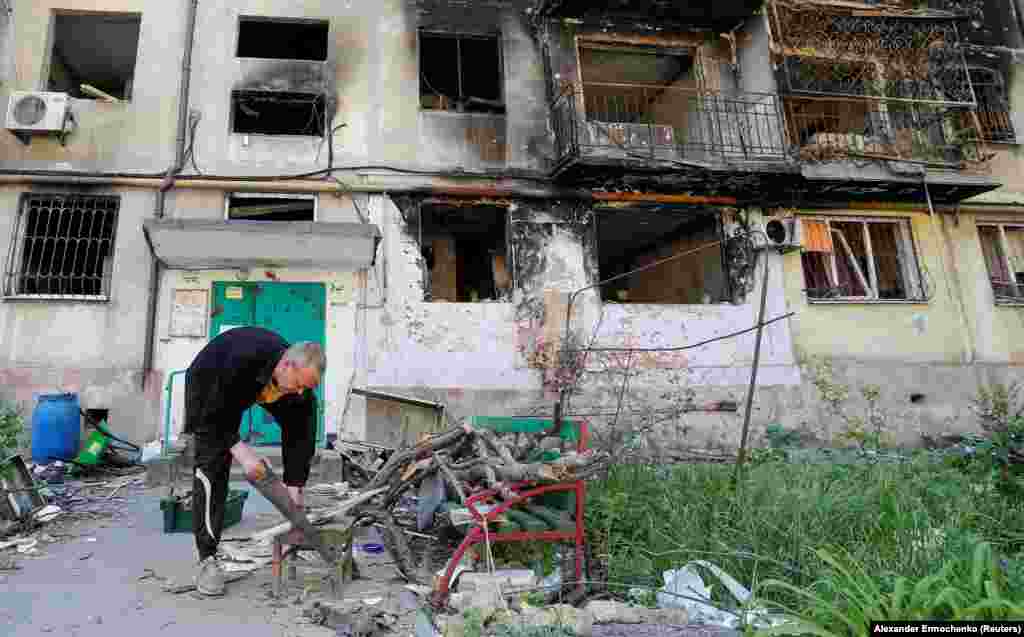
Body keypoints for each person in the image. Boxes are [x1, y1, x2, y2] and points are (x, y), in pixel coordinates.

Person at [183, 326, 325, 597]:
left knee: (299, 415)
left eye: (305, 388)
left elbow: (301, 438)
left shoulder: (298, 390)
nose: (299, 393)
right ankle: (207, 559)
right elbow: (215, 412)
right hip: (208, 383)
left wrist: (294, 492)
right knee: (213, 466)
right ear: (286, 365)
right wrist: (244, 453)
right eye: (297, 385)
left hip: (249, 385)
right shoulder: (243, 358)